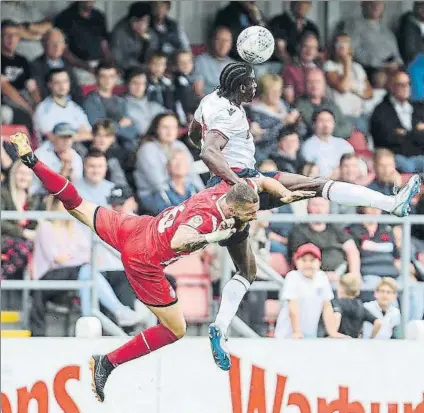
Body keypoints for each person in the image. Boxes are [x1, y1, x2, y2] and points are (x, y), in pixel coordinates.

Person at [8, 130, 304, 401]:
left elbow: (260, 181)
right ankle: (107, 363)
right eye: (248, 214)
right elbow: (180, 239)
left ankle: (33, 160)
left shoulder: (230, 189)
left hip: (137, 228)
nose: (252, 218)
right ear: (231, 208)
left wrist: (284, 192)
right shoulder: (208, 218)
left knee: (78, 205)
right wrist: (218, 235)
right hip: (144, 260)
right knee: (176, 329)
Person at [188, 61, 422, 370]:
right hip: (244, 182)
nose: (256, 88)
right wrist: (240, 184)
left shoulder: (210, 100)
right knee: (316, 186)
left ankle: (219, 327)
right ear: (241, 87)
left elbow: (195, 136)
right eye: (252, 84)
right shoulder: (228, 113)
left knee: (246, 270)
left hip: (223, 189)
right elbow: (208, 151)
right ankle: (391, 204)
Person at [31, 196, 142, 336]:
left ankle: (88, 322)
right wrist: (78, 257)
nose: (68, 208)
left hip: (76, 274)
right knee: (86, 271)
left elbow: (89, 254)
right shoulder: (46, 227)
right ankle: (119, 311)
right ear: (55, 206)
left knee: (87, 278)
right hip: (49, 277)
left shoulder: (75, 228)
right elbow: (59, 259)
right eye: (64, 204)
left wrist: (74, 257)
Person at [274, 243, 343, 339]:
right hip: (288, 335)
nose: (308, 264)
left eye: (312, 260)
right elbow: (293, 306)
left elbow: (327, 307)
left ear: (319, 262)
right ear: (297, 262)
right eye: (304, 260)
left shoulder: (322, 277)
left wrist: (333, 333)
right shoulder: (293, 277)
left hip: (310, 335)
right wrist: (297, 332)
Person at [1, 160, 44, 280]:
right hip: (4, 238)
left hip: (22, 243)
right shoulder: (3, 193)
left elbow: (34, 224)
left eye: (27, 174)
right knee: (24, 248)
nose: (24, 177)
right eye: (20, 173)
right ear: (14, 174)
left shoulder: (33, 199)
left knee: (31, 246)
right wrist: (23, 233)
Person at [54, 1, 113, 85]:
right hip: (77, 66)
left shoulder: (99, 16)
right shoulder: (64, 18)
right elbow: (64, 51)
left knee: (115, 82)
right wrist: (86, 66)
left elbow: (104, 44)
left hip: (99, 64)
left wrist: (109, 63)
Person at [1, 20, 41, 135]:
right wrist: (28, 108)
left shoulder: (22, 60)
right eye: (7, 35)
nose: (11, 38)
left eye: (15, 35)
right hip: (6, 101)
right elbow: (5, 88)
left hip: (24, 99)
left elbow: (32, 87)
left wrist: (39, 106)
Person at [33, 68, 92, 143]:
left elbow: (89, 134)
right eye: (57, 82)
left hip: (77, 149)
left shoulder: (75, 107)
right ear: (50, 85)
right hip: (51, 151)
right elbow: (53, 138)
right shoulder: (43, 109)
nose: (62, 86)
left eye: (65, 81)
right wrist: (77, 136)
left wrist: (71, 137)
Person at [31, 28, 83, 105]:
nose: (56, 46)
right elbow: (41, 92)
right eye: (52, 42)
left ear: (64, 46)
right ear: (43, 44)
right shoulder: (36, 65)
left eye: (60, 42)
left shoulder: (68, 63)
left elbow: (76, 91)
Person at [332, 273, 382, 338]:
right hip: (355, 343)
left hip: (339, 341)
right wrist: (371, 338)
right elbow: (378, 323)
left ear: (341, 287)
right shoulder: (360, 305)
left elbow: (337, 315)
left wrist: (334, 334)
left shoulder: (337, 303)